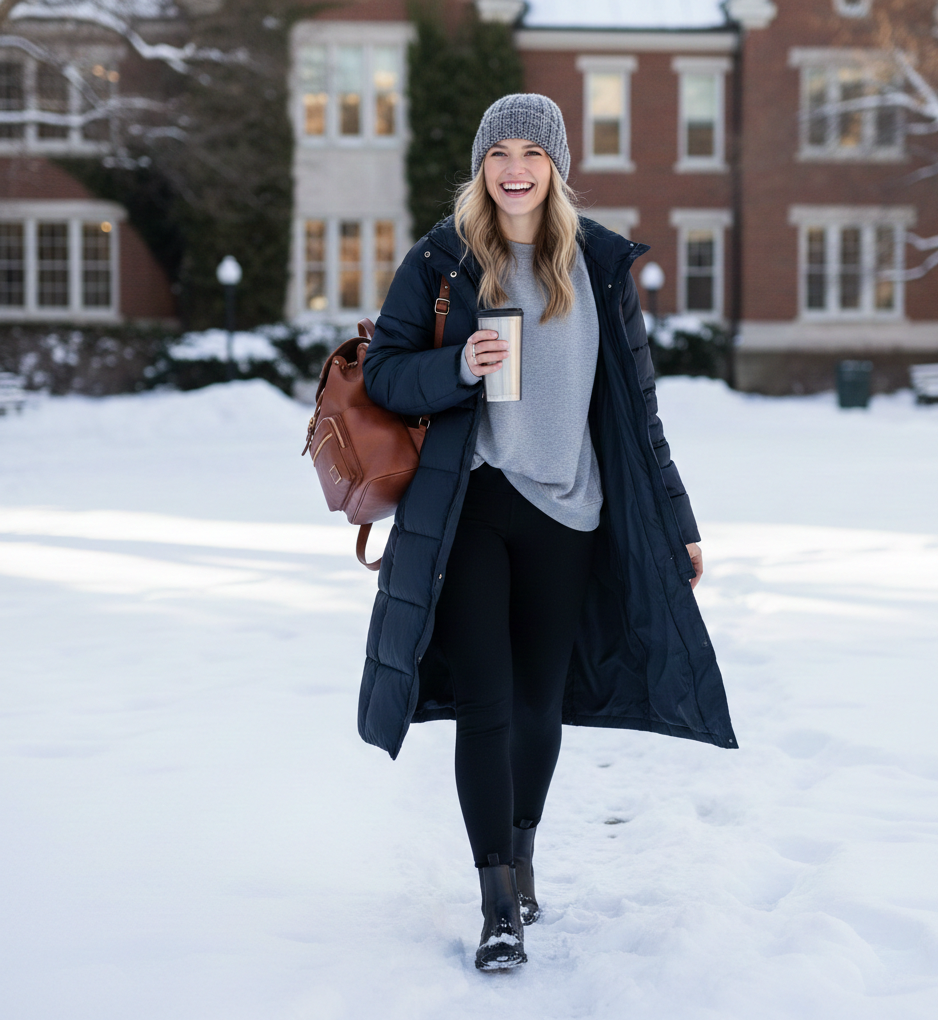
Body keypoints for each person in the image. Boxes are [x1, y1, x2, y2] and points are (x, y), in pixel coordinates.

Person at [359, 94, 736, 971]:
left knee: (538, 704)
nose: (516, 167)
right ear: (483, 164)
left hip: (572, 513)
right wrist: (457, 366)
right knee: (487, 705)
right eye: (501, 151)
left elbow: (640, 411)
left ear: (557, 167)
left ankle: (523, 852)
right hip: (475, 507)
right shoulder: (444, 258)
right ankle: (497, 900)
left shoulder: (599, 264)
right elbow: (384, 375)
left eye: (534, 151)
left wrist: (678, 523)